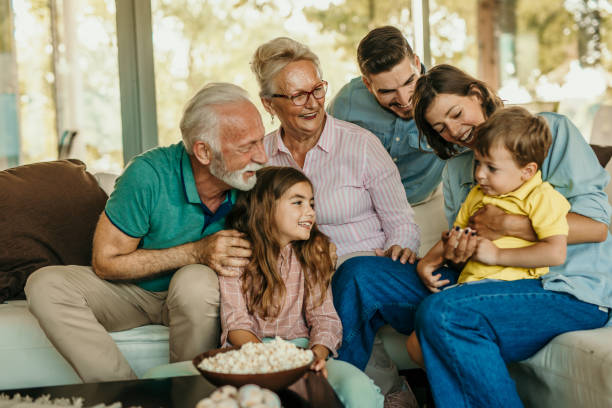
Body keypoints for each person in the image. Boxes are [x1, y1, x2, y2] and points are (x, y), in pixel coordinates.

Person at [24, 83, 268, 382]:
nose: (263, 156)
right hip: (132, 292)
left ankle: (187, 394)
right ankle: (128, 395)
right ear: (204, 151)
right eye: (247, 147)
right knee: (46, 284)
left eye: (261, 141)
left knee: (196, 280)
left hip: (197, 297)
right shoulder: (148, 174)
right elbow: (106, 261)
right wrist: (197, 251)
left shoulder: (255, 183)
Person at [251, 36, 420, 405]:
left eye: (316, 89)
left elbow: (402, 223)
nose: (312, 103)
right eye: (297, 95)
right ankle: (382, 396)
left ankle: (324, 396)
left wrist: (395, 254)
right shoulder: (260, 157)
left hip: (364, 267)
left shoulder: (360, 145)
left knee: (349, 277)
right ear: (269, 103)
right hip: (304, 277)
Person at [405, 106, 571, 366]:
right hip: (470, 287)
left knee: (432, 336)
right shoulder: (478, 195)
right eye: (478, 163)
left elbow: (555, 252)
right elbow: (455, 235)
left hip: (512, 287)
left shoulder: (541, 197)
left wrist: (497, 255)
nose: (479, 174)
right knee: (416, 346)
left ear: (526, 171)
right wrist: (429, 261)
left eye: (491, 168)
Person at [220, 166, 384, 408]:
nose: (310, 212)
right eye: (298, 203)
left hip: (303, 353)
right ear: (265, 207)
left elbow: (324, 318)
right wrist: (277, 363)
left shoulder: (313, 253)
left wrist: (315, 357)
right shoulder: (237, 255)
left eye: (312, 204)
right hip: (251, 355)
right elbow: (236, 325)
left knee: (358, 389)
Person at [327, 25, 445, 206]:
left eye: (409, 82)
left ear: (416, 62)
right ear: (368, 84)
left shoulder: (447, 95)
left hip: (424, 202)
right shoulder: (346, 104)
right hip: (365, 208)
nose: (405, 100)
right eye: (387, 91)